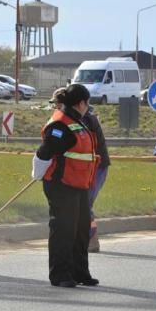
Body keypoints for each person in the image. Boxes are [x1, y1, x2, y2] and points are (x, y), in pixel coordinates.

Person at [33, 84, 99, 288]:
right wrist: (38, 174)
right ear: (80, 103)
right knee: (64, 230)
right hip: (61, 185)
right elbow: (44, 152)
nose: (88, 107)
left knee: (80, 230)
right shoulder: (59, 125)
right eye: (87, 103)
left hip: (78, 184)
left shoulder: (78, 121)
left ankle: (80, 272)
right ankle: (60, 274)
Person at [49, 88, 111, 253]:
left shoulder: (85, 120)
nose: (56, 108)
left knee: (84, 204)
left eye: (57, 104)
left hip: (95, 168)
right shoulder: (70, 119)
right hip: (82, 168)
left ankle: (91, 240)